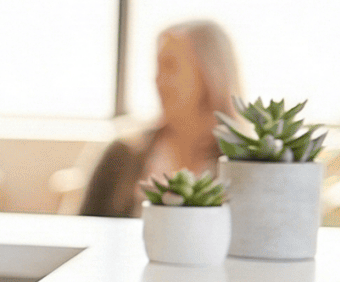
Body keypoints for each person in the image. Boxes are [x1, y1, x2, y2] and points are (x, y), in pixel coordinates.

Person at [82, 20, 243, 218]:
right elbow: (83, 229)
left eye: (170, 66)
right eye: (158, 66)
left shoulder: (247, 164)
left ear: (209, 74)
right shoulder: (122, 153)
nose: (157, 79)